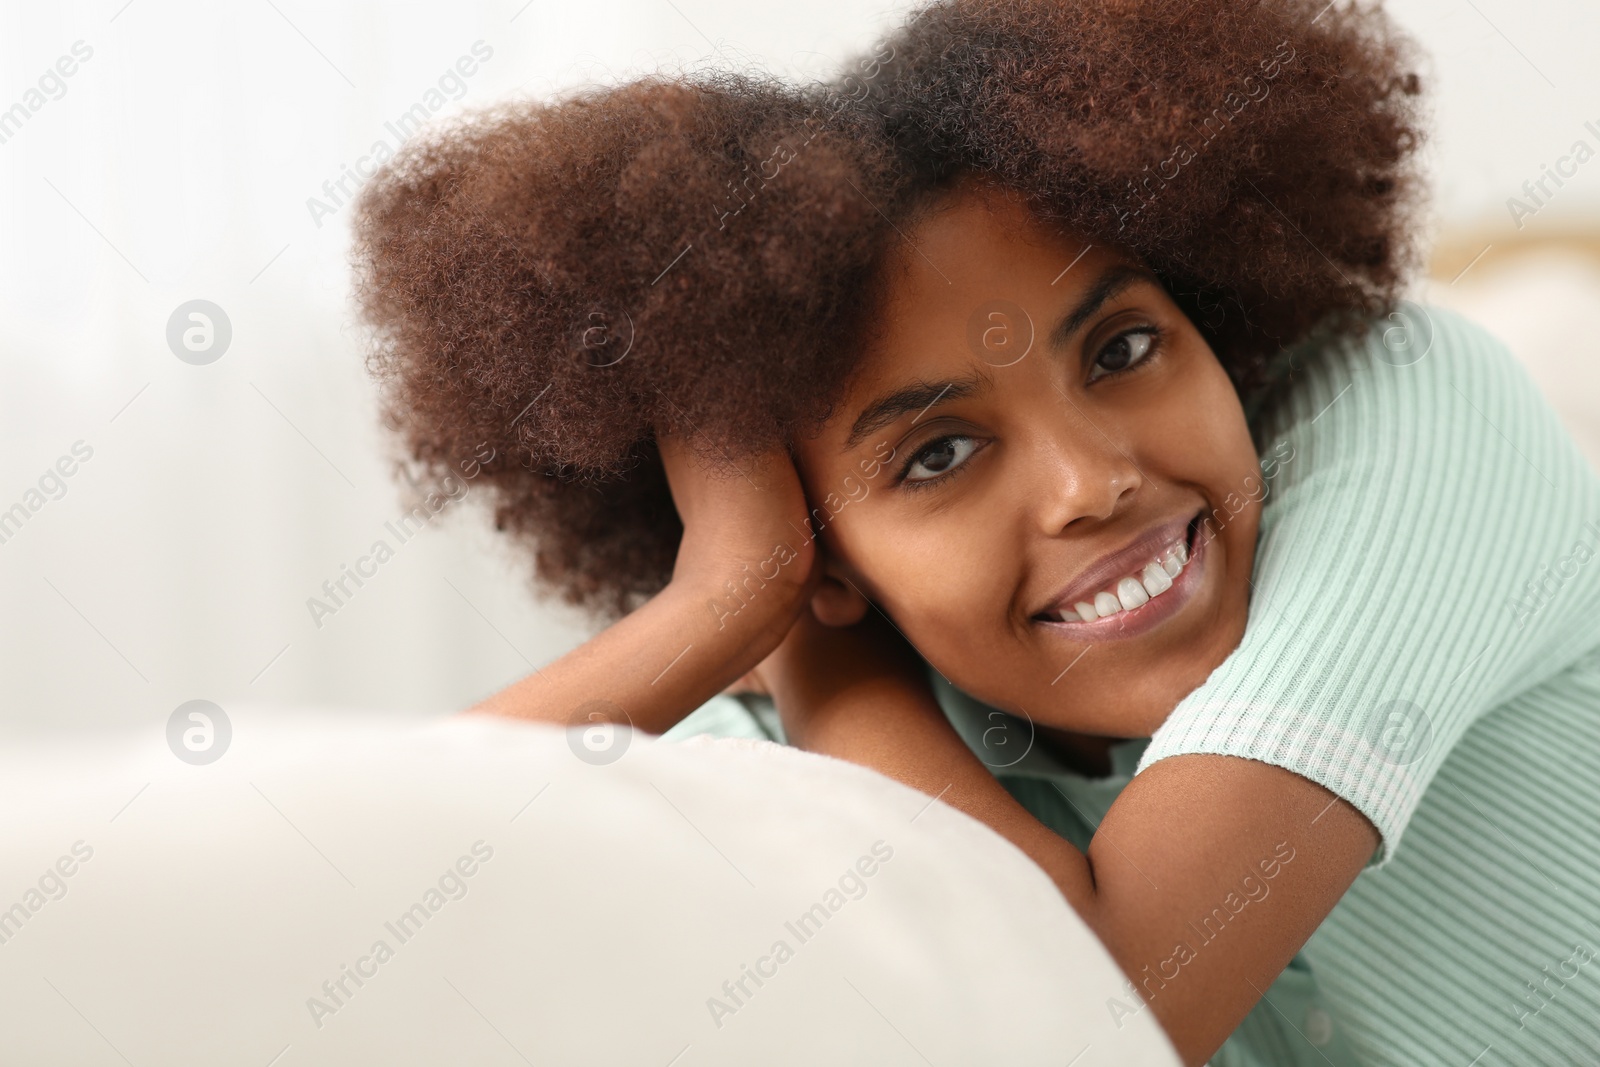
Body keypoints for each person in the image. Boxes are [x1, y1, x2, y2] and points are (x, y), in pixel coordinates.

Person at [348, 1, 1600, 1063]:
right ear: (822, 552)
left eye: (1119, 349)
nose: (1087, 483)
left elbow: (1119, 1000)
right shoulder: (873, 715)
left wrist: (811, 653)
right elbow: (350, 873)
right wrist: (727, 598)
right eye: (938, 453)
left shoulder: (1410, 411)